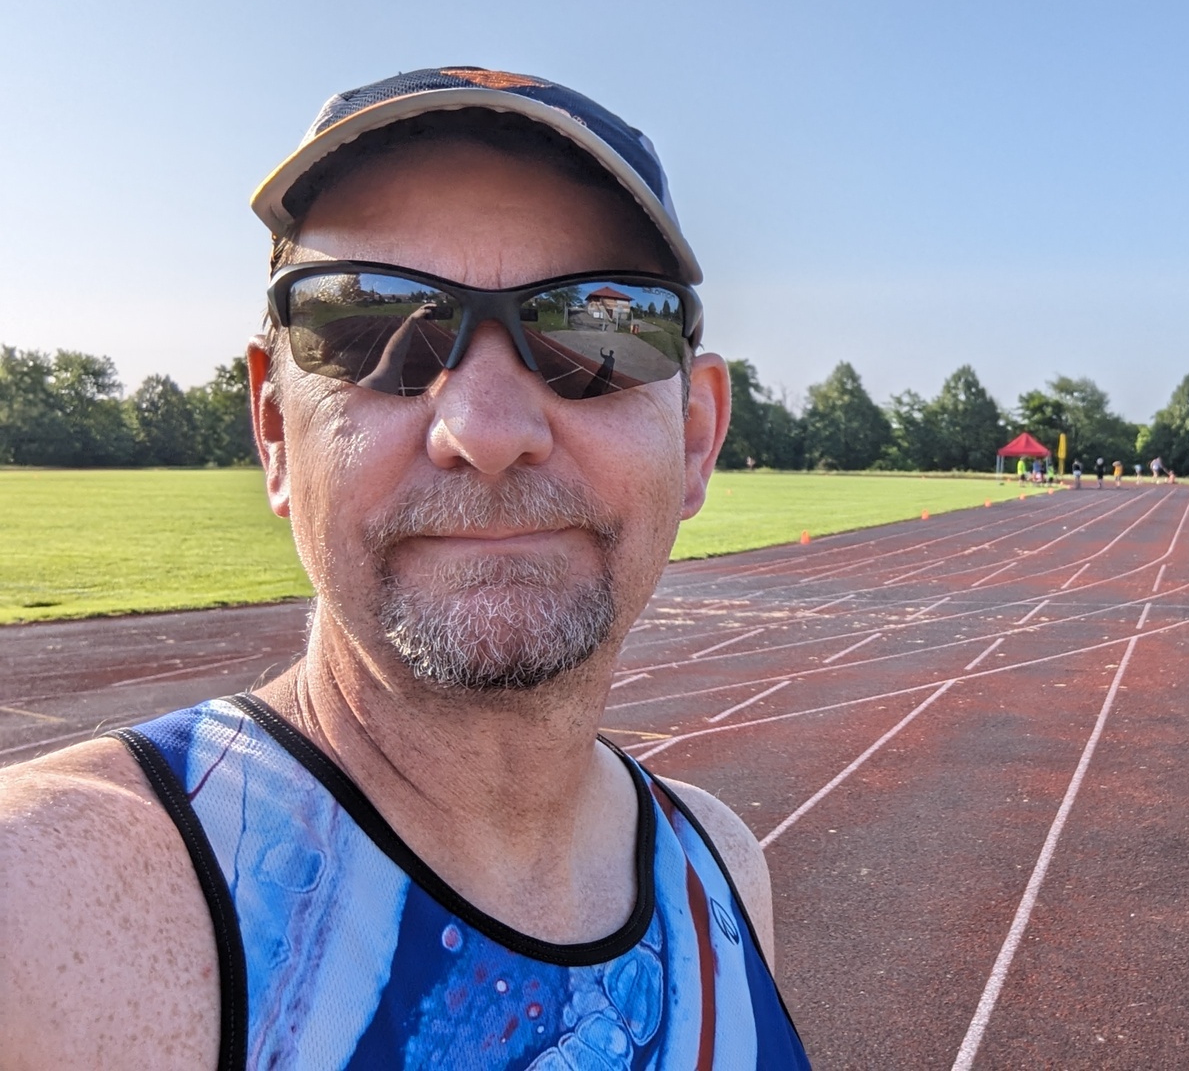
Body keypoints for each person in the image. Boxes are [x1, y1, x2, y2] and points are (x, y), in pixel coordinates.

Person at [0, 68, 808, 1067]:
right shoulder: (43, 910)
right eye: (371, 327)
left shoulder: (720, 872)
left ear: (695, 438)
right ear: (273, 433)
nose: (487, 431)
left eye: (597, 331)